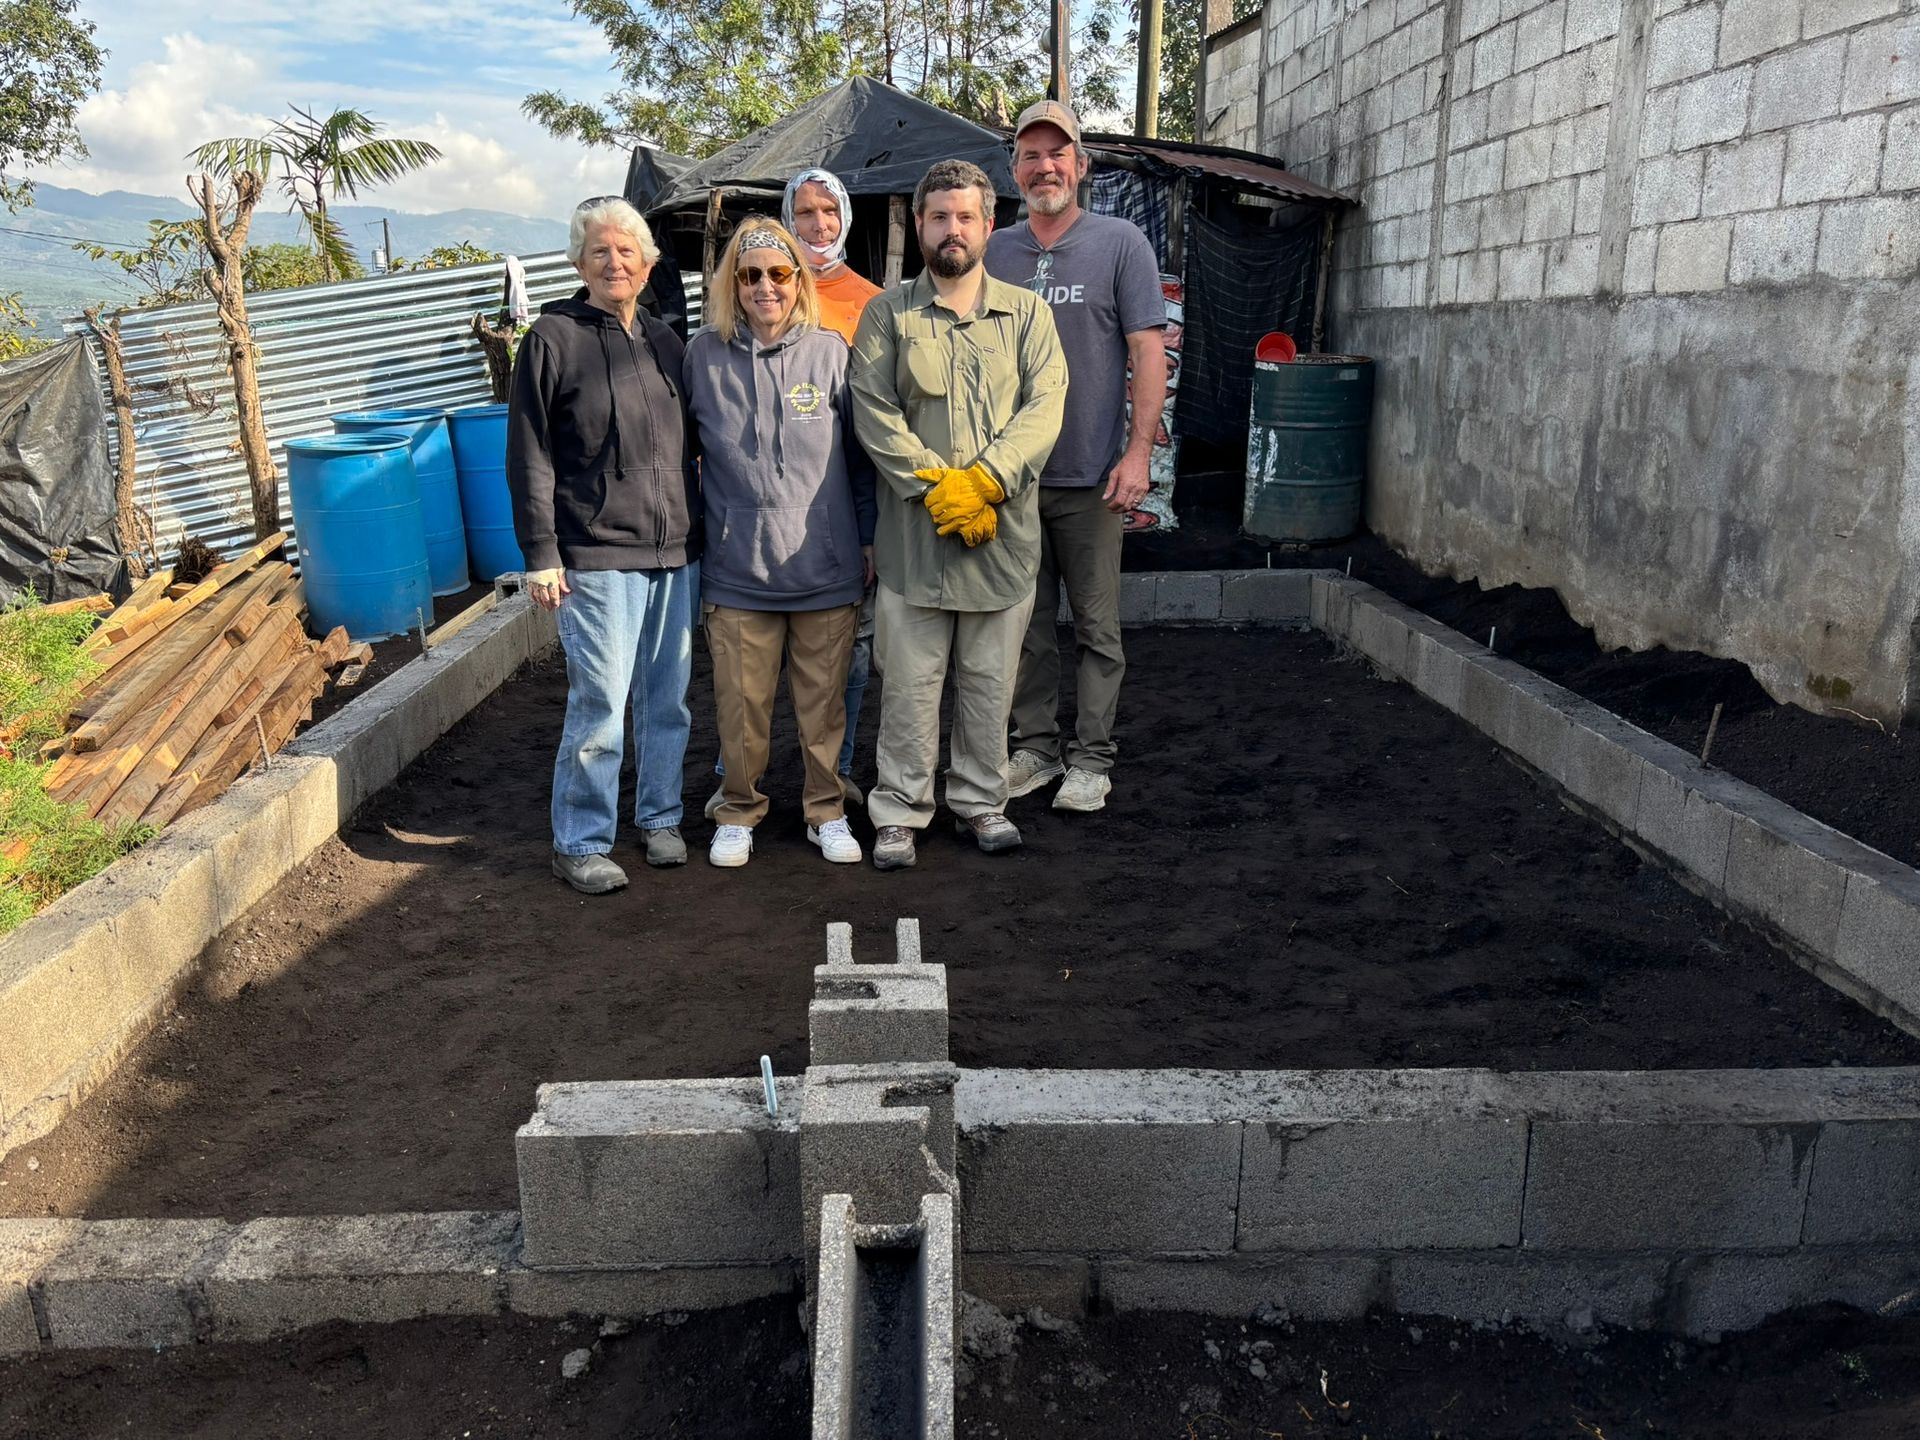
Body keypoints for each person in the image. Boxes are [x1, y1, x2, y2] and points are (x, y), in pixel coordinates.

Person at [849, 158, 1068, 871]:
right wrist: (938, 488)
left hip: (1000, 544)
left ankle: (981, 801)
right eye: (939, 216)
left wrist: (988, 483)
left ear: (988, 224)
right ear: (919, 225)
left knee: (988, 683)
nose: (953, 229)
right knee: (909, 686)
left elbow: (1046, 407)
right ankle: (900, 810)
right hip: (915, 544)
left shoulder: (1027, 314)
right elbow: (874, 412)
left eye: (966, 216)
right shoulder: (888, 314)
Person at [508, 196, 700, 895]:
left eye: (627, 251)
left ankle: (660, 818)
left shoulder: (667, 341)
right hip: (592, 552)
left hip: (675, 551)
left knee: (667, 698)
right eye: (600, 251)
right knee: (600, 701)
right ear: (578, 262)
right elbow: (528, 454)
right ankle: (581, 841)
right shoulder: (552, 339)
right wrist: (541, 553)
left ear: (648, 264)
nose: (614, 262)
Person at [986, 100, 1168, 816]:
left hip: (1094, 478)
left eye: (1057, 153)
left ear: (1082, 166)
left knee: (1097, 628)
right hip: (1014, 479)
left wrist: (1139, 453)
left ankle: (1091, 759)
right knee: (1025, 626)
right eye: (1030, 155)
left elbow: (1147, 350)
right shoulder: (995, 251)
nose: (1045, 166)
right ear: (1015, 172)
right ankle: (1034, 749)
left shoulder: (1120, 243)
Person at [685, 216, 875, 867]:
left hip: (825, 565)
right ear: (732, 284)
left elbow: (860, 460)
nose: (765, 287)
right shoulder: (701, 357)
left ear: (798, 280)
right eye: (750, 275)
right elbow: (677, 455)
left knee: (824, 710)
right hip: (738, 569)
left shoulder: (830, 352)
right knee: (741, 710)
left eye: (778, 273)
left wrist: (869, 541)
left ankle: (826, 810)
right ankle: (738, 810)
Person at [783, 169, 884, 344]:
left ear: (846, 216)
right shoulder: (769, 298)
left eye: (830, 211)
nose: (820, 226)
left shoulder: (878, 304)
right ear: (788, 219)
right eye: (806, 213)